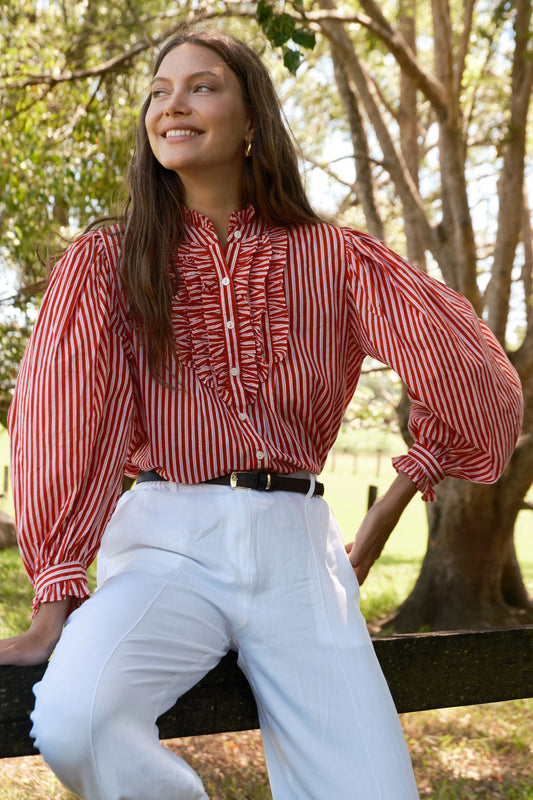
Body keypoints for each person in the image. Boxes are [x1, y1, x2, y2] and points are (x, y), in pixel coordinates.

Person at [0, 28, 523, 800]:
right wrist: (56, 594)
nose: (172, 104)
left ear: (252, 123)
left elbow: (474, 376)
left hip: (299, 557)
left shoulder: (336, 257)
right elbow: (58, 428)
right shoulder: (110, 259)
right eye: (159, 90)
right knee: (77, 718)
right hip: (165, 545)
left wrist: (386, 511)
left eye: (202, 86)